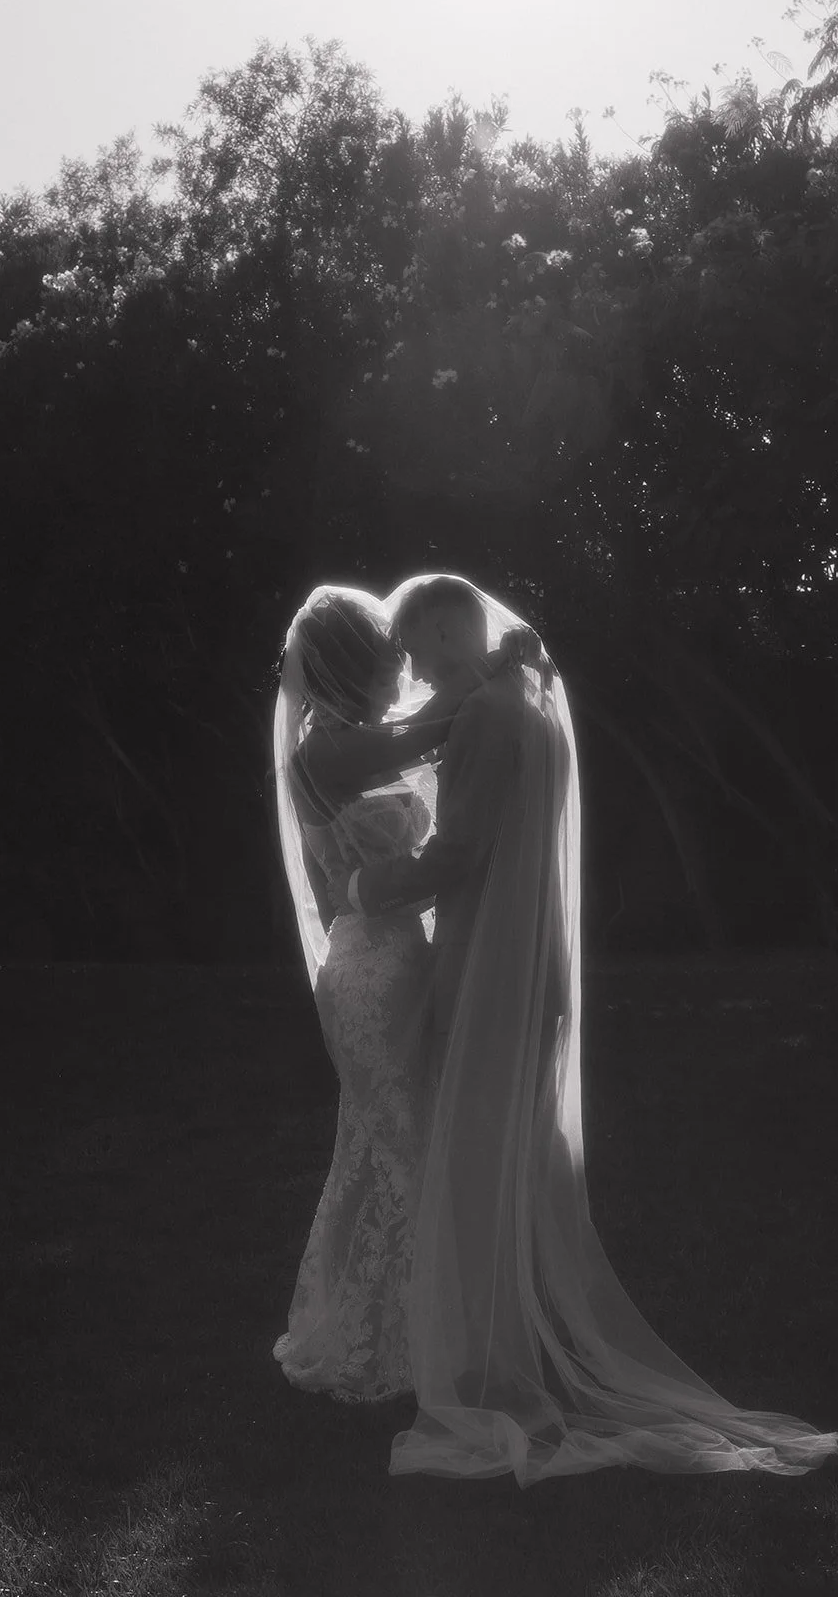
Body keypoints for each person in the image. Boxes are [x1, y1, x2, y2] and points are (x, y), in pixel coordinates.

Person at [313, 574, 838, 1485]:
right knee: (501, 1158)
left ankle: (482, 1358)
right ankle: (499, 1332)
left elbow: (461, 853)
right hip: (533, 959)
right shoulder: (528, 704)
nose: (410, 670)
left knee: (472, 1162)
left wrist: (363, 890)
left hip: (488, 963)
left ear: (448, 630)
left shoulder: (485, 713)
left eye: (417, 648)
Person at [271, 588, 488, 1403]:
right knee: (400, 1149)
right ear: (347, 670)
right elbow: (436, 728)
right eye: (388, 662)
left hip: (405, 960)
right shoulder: (322, 755)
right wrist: (489, 669)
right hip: (366, 975)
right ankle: (404, 1341)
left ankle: (385, 1325)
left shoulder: (356, 743)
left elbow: (427, 733)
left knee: (383, 1147)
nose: (400, 674)